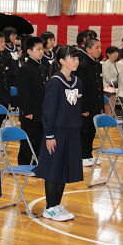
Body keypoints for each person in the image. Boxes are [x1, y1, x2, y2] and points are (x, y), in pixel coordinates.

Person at [33, 45, 83, 221]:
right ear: (62, 61)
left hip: (72, 132)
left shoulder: (77, 81)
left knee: (64, 169)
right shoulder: (55, 82)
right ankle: (49, 207)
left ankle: (57, 205)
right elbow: (49, 111)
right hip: (56, 132)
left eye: (77, 58)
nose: (76, 61)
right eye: (72, 58)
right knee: (53, 169)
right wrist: (49, 135)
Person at [17, 37, 47, 165]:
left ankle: (35, 161)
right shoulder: (25, 68)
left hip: (41, 110)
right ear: (29, 51)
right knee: (28, 138)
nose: (41, 52)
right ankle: (24, 163)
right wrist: (27, 111)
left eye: (42, 49)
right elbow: (23, 93)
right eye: (38, 49)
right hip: (30, 111)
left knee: (39, 137)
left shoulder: (43, 68)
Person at [73, 38, 103, 167]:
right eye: (96, 47)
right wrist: (83, 107)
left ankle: (89, 154)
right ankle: (82, 155)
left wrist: (101, 106)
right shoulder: (83, 65)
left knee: (92, 131)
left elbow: (99, 87)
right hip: (86, 105)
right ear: (88, 49)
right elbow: (81, 88)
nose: (99, 50)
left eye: (100, 47)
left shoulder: (97, 65)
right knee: (84, 131)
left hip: (95, 104)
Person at [102, 46, 120, 116]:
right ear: (108, 54)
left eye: (117, 52)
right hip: (107, 87)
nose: (116, 54)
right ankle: (108, 120)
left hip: (114, 87)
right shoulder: (106, 63)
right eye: (113, 53)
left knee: (112, 105)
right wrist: (116, 82)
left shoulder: (116, 64)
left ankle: (111, 119)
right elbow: (107, 77)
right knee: (108, 106)